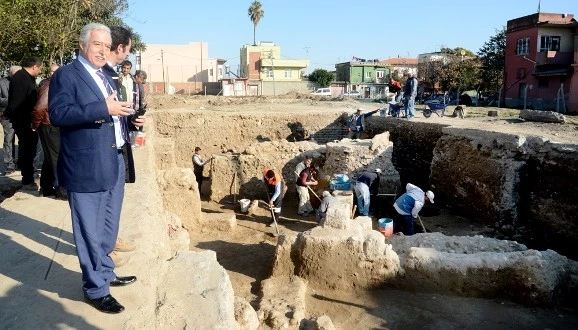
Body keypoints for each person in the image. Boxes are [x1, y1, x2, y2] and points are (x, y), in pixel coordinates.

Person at [49, 22, 145, 314]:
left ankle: (106, 271)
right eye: (96, 45)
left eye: (106, 45)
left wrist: (129, 119)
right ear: (82, 45)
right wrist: (103, 109)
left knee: (108, 225)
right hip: (86, 164)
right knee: (89, 231)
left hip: (114, 157)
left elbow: (113, 111)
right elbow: (59, 114)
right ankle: (95, 288)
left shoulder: (107, 74)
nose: (103, 51)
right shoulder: (68, 75)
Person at [4, 57, 43, 189]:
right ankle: (27, 180)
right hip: (24, 122)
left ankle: (28, 175)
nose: (40, 71)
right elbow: (18, 103)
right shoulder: (21, 78)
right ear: (35, 67)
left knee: (28, 150)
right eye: (40, 68)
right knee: (27, 151)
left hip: (26, 120)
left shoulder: (25, 77)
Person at [32, 64, 67, 199]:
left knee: (49, 157)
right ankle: (61, 191)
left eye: (56, 71)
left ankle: (46, 188)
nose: (54, 74)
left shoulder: (57, 84)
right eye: (52, 71)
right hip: (49, 126)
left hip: (54, 125)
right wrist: (35, 125)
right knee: (56, 159)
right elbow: (40, 108)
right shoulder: (48, 86)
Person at [0, 65, 21, 175]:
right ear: (10, 73)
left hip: (22, 116)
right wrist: (12, 100)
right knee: (9, 140)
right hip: (7, 116)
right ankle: (9, 165)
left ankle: (21, 163)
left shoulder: (24, 81)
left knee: (23, 140)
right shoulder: (2, 82)